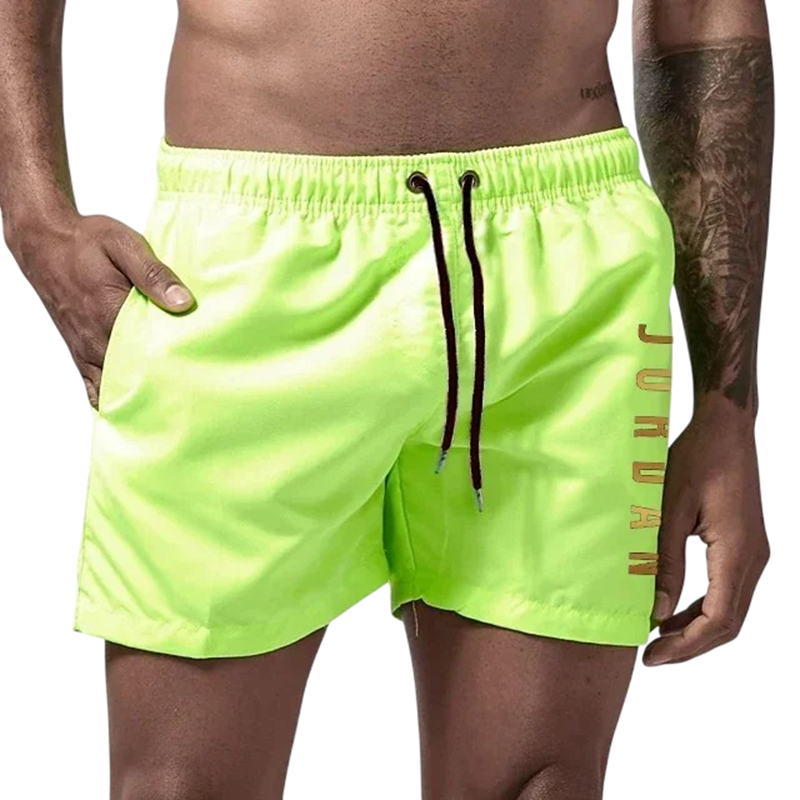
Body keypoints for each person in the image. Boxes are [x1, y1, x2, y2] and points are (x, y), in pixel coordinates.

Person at [0, 1, 773, 797]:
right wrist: (32, 214)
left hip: (569, 274)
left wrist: (727, 408)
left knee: (539, 786)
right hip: (247, 264)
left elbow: (700, 11)